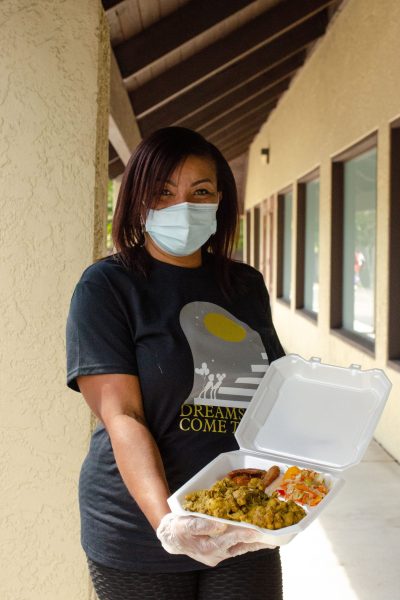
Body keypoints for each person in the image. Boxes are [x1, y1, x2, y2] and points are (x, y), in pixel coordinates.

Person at [65, 126, 285, 600]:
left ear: (220, 199)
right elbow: (122, 415)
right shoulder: (107, 287)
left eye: (199, 191)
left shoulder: (244, 285)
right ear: (138, 199)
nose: (182, 206)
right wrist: (168, 520)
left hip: (239, 514)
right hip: (138, 527)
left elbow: (275, 391)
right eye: (163, 192)